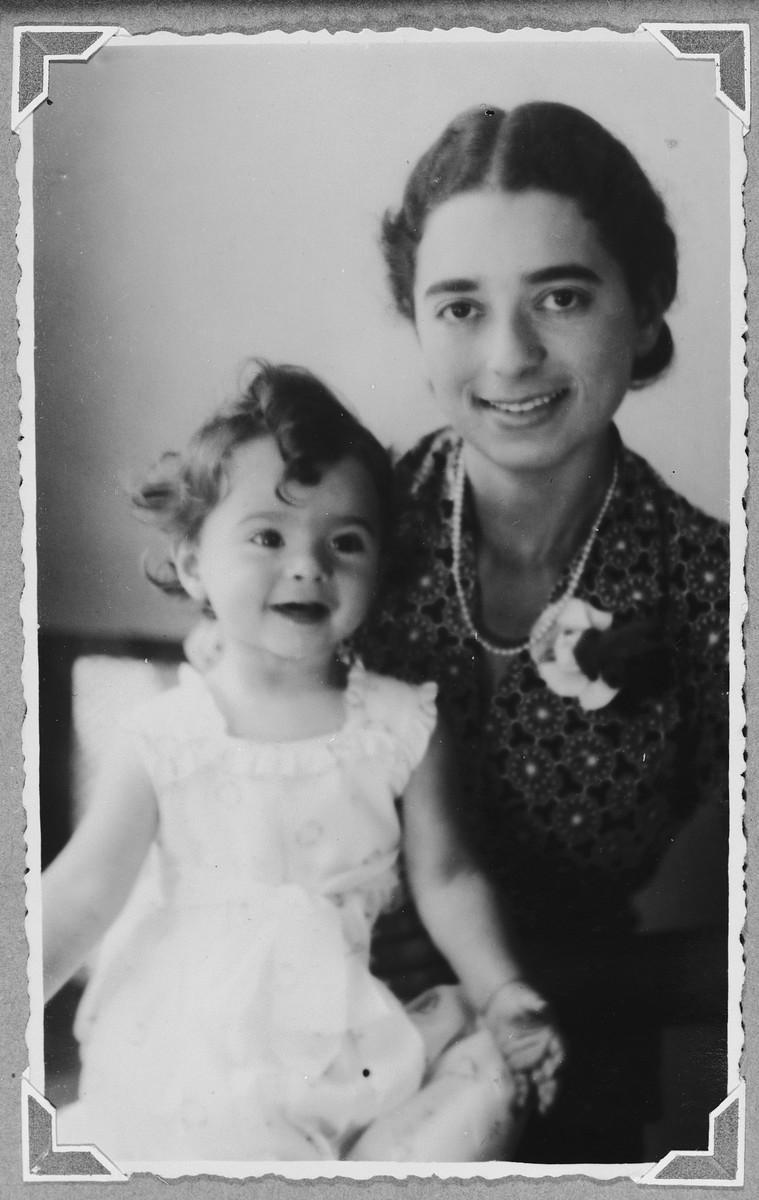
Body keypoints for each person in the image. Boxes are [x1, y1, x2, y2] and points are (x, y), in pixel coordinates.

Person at [42, 361, 563, 1163]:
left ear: (378, 572)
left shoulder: (398, 724)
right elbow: (82, 891)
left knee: (490, 1081)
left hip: (353, 1037)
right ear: (191, 565)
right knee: (219, 1139)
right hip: (201, 1046)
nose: (308, 564)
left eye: (345, 542)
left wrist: (499, 991)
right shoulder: (165, 736)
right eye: (266, 536)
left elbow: (449, 877)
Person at [357, 102, 730, 1163]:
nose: (511, 355)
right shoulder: (342, 532)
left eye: (562, 297)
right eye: (461, 306)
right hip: (319, 1040)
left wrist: (535, 981)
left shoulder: (712, 593)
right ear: (416, 319)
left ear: (646, 304)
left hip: (578, 1065)